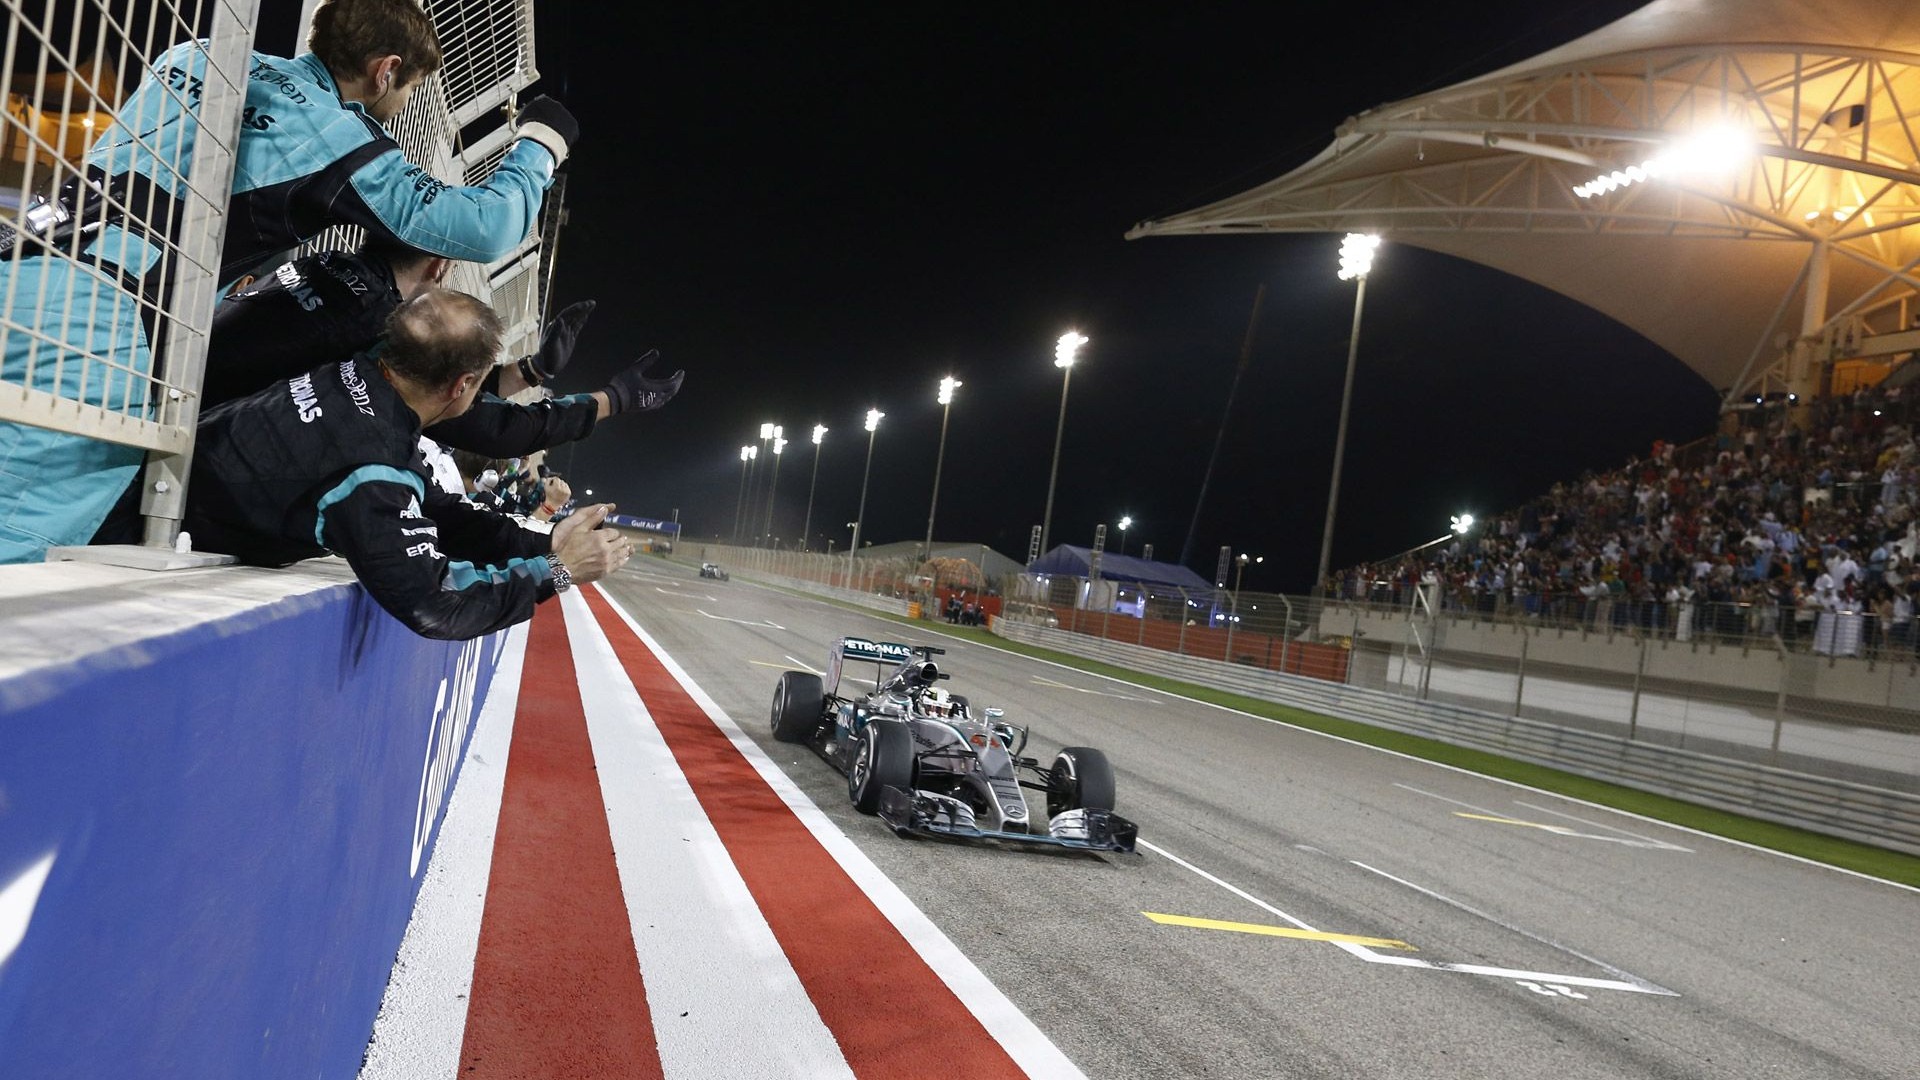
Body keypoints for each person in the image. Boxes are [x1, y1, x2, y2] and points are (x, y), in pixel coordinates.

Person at [0, 0, 580, 563]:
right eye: (407, 92)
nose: (398, 105)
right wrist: (540, 142)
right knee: (18, 538)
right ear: (386, 71)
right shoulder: (338, 135)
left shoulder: (198, 53)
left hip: (22, 255)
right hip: (97, 325)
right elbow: (484, 225)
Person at [183, 286, 630, 640]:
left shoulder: (357, 369)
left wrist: (548, 543)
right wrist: (557, 571)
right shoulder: (371, 464)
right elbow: (435, 605)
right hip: (157, 536)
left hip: (174, 484)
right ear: (464, 386)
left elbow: (442, 513)